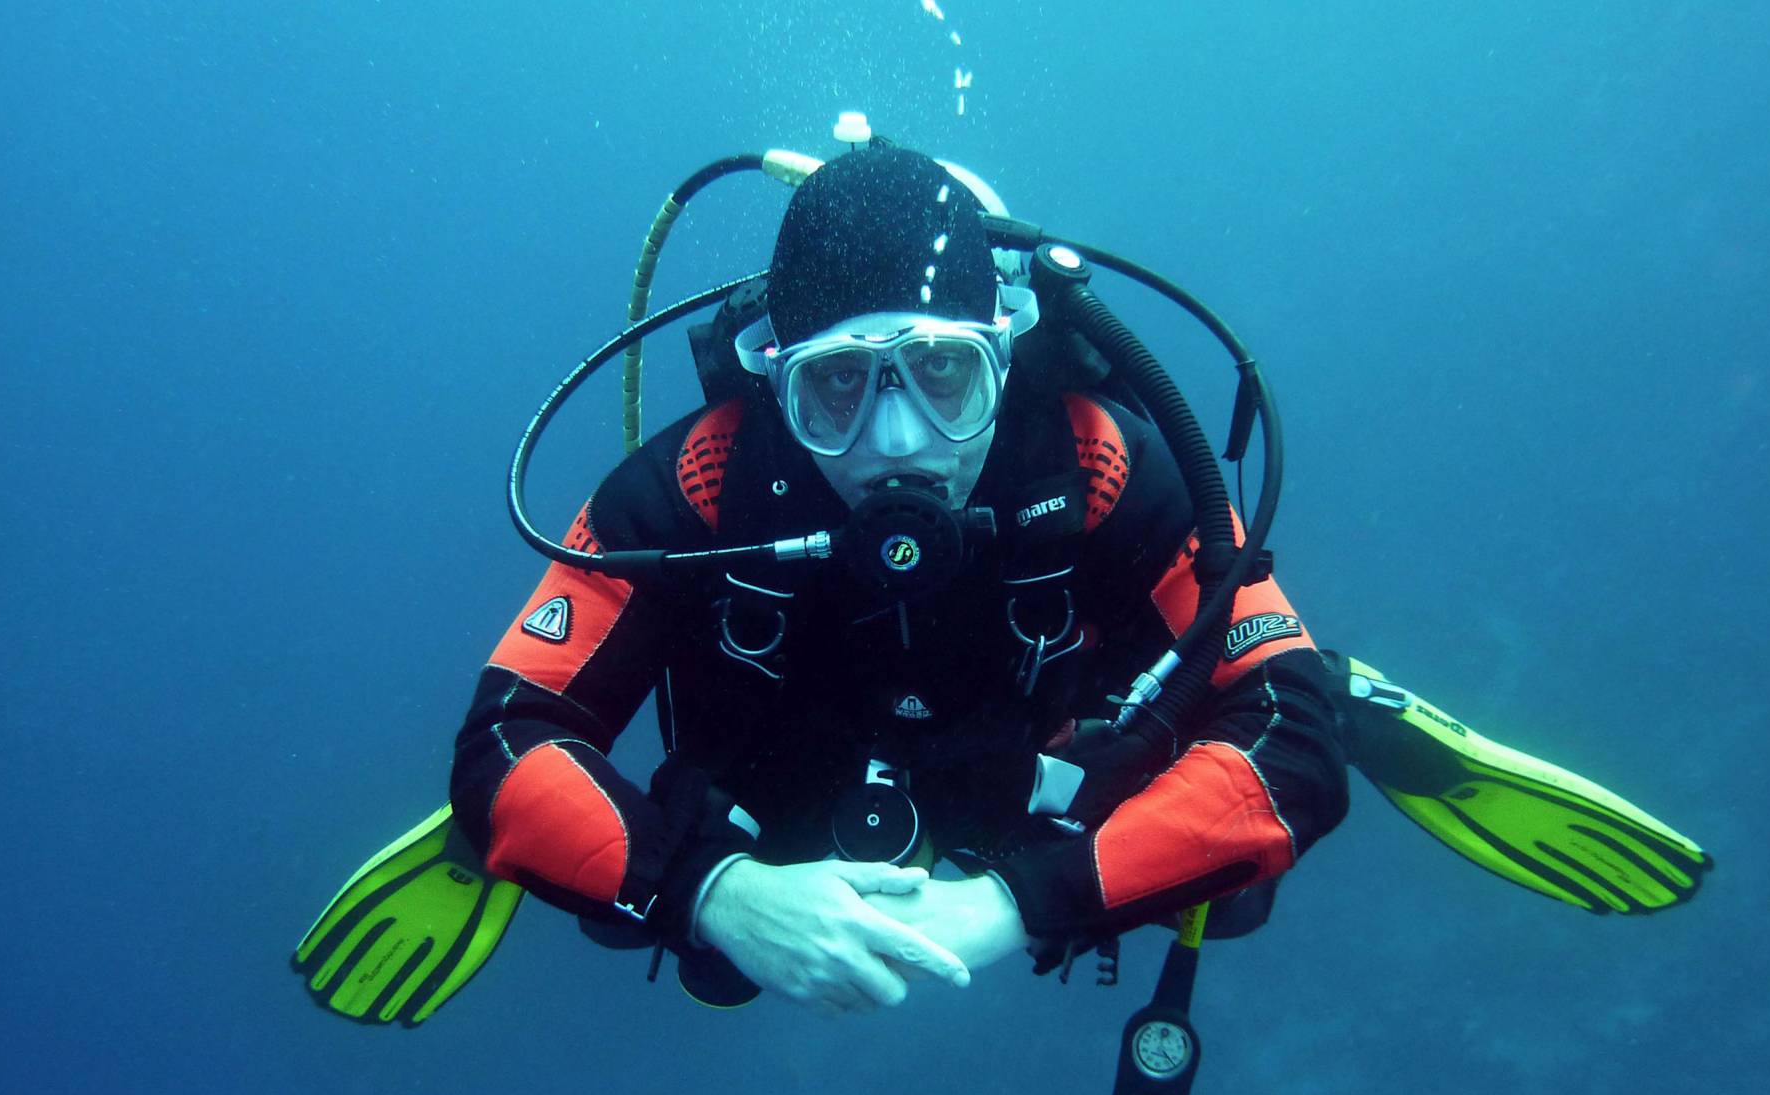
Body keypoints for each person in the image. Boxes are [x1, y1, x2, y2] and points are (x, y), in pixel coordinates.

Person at [445, 145, 1351, 1017]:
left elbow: (1295, 731)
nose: (897, 441)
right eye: (836, 384)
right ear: (775, 379)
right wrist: (713, 892)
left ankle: (1359, 692)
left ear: (1002, 353)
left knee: (1229, 896)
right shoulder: (700, 484)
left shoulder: (1098, 461)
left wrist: (1015, 902)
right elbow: (503, 734)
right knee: (651, 921)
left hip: (1040, 772)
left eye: (944, 370)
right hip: (788, 787)